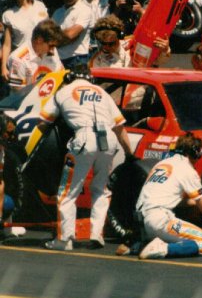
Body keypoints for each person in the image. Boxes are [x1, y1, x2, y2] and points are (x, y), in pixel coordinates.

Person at [39, 64, 134, 251]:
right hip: (108, 139)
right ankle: (97, 234)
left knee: (68, 192)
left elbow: (44, 122)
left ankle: (64, 239)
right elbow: (119, 127)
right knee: (101, 189)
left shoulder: (63, 91)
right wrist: (130, 154)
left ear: (70, 78)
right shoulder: (102, 92)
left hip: (83, 138)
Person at [135, 132, 202, 260]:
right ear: (194, 153)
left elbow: (169, 199)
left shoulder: (162, 163)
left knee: (178, 236)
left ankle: (139, 245)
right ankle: (163, 248)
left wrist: (193, 202)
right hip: (160, 221)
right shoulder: (187, 170)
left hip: (141, 221)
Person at [89, 14, 170, 68]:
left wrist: (164, 50)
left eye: (111, 44)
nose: (107, 47)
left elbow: (157, 62)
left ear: (120, 36)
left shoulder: (134, 43)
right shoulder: (96, 60)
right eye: (103, 43)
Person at [7, 18, 66, 92]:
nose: (53, 49)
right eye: (51, 46)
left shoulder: (50, 49)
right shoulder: (17, 59)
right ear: (39, 40)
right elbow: (18, 92)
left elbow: (61, 74)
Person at [1, 0, 48, 82]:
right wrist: (3, 67)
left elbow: (49, 31)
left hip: (43, 58)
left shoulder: (40, 6)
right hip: (22, 61)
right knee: (21, 92)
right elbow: (7, 45)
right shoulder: (8, 15)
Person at [52, 0, 92, 69]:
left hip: (78, 59)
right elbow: (48, 36)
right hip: (58, 61)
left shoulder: (84, 10)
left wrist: (55, 40)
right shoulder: (57, 13)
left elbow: (70, 34)